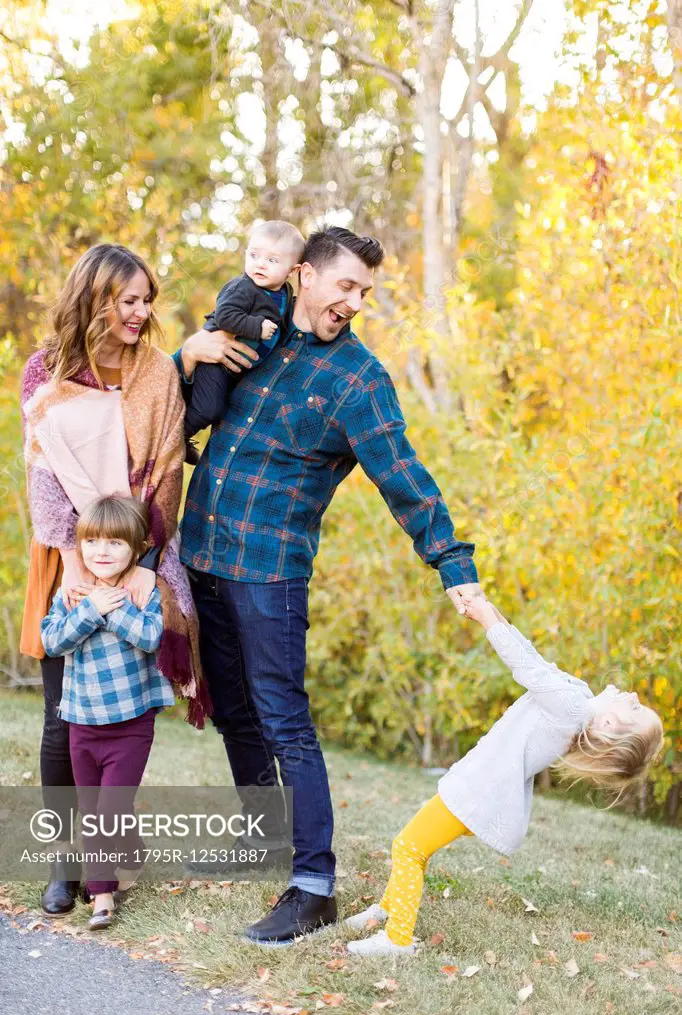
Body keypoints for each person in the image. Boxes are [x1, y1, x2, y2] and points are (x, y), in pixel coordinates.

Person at [173, 226, 483, 945]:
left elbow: (406, 481)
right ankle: (262, 841)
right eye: (345, 285)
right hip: (204, 555)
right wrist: (185, 353)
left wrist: (454, 568)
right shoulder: (255, 334)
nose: (354, 302)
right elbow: (174, 395)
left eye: (365, 293)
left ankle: (313, 886)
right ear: (305, 276)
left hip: (270, 572)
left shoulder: (358, 380)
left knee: (284, 721)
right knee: (234, 714)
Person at [20, 243, 210, 918]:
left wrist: (139, 565)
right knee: (58, 718)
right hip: (67, 556)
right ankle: (63, 866)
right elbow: (43, 474)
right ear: (95, 300)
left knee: (124, 711)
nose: (141, 312)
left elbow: (164, 468)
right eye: (128, 300)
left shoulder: (157, 373)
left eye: (146, 300)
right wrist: (75, 563)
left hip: (139, 556)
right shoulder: (46, 371)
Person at [344, 594, 664, 956]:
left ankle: (396, 938)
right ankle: (385, 910)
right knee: (416, 844)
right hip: (478, 788)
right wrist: (488, 609)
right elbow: (534, 659)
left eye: (635, 708)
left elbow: (524, 667)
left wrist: (486, 620)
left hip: (477, 793)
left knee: (409, 848)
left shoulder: (572, 710)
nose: (634, 694)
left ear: (608, 726)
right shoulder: (578, 699)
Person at [41, 496, 175, 930]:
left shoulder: (143, 592)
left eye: (114, 543)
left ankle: (101, 896)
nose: (101, 551)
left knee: (107, 812)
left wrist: (110, 608)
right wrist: (88, 609)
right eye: (92, 541)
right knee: (92, 806)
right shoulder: (71, 595)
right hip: (82, 723)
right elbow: (52, 642)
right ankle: (130, 854)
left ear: (135, 550)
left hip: (131, 725)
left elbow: (151, 637)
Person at [184, 220, 304, 463]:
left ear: (292, 271)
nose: (260, 264)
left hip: (239, 369)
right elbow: (225, 316)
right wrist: (256, 326)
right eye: (254, 255)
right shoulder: (242, 288)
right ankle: (178, 436)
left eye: (272, 260)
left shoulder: (284, 293)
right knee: (210, 409)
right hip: (215, 361)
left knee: (232, 409)